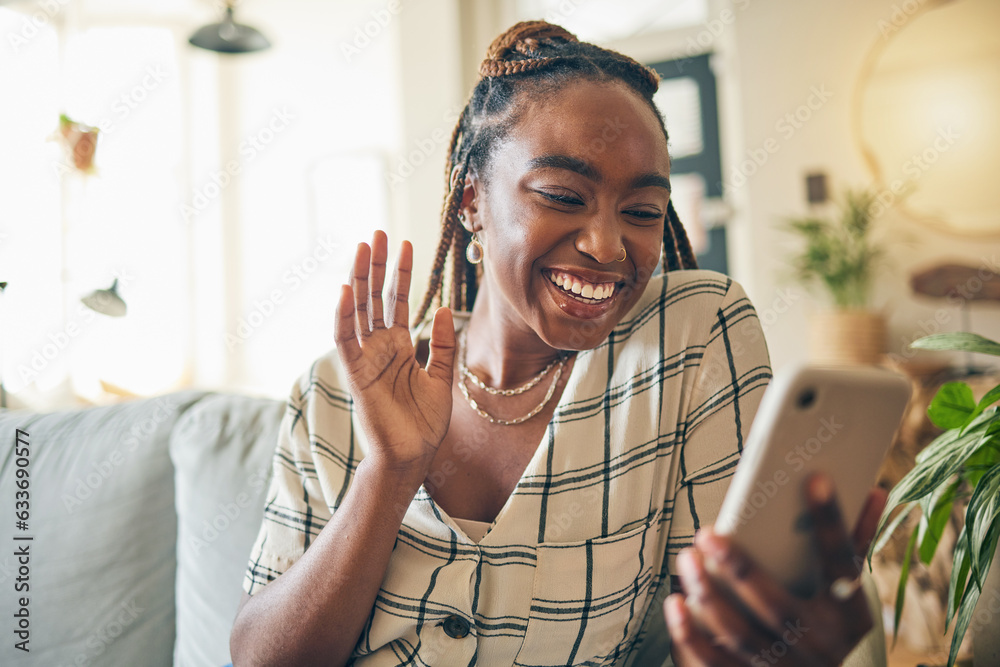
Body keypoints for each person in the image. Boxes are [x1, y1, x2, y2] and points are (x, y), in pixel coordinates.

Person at [230, 20, 885, 667]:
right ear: (472, 202)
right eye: (563, 196)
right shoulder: (337, 390)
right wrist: (388, 473)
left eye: (642, 212)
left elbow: (727, 628)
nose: (607, 246)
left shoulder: (690, 339)